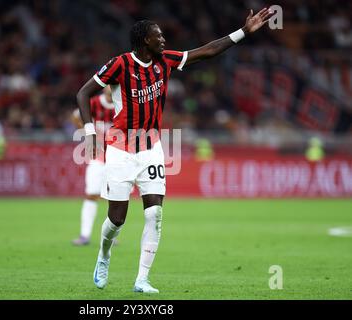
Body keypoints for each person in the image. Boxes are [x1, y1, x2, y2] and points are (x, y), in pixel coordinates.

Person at [76, 8, 273, 293]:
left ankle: (142, 279)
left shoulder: (165, 61)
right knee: (117, 219)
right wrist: (90, 131)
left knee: (154, 213)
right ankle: (104, 255)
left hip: (151, 149)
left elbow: (208, 51)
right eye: (158, 36)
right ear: (144, 40)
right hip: (120, 150)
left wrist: (243, 31)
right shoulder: (119, 65)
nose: (164, 40)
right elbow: (83, 93)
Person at [72, 86, 115, 245]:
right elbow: (75, 116)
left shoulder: (123, 103)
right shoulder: (94, 103)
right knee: (91, 194)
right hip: (97, 158)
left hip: (118, 158)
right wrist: (87, 133)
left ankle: (111, 236)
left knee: (116, 197)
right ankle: (85, 235)